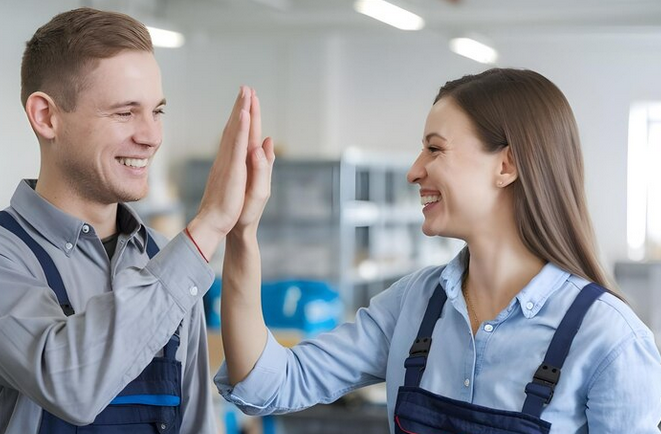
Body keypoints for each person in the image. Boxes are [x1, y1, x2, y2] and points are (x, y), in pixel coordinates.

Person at [214, 68, 661, 433]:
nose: (414, 170)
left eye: (434, 149)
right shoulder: (414, 305)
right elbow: (270, 384)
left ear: (506, 165)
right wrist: (240, 231)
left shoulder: (610, 342)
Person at [0, 7, 272, 434]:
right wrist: (209, 225)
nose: (150, 136)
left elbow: (196, 423)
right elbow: (71, 384)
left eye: (157, 111)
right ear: (46, 117)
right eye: (125, 112)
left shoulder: (166, 258)